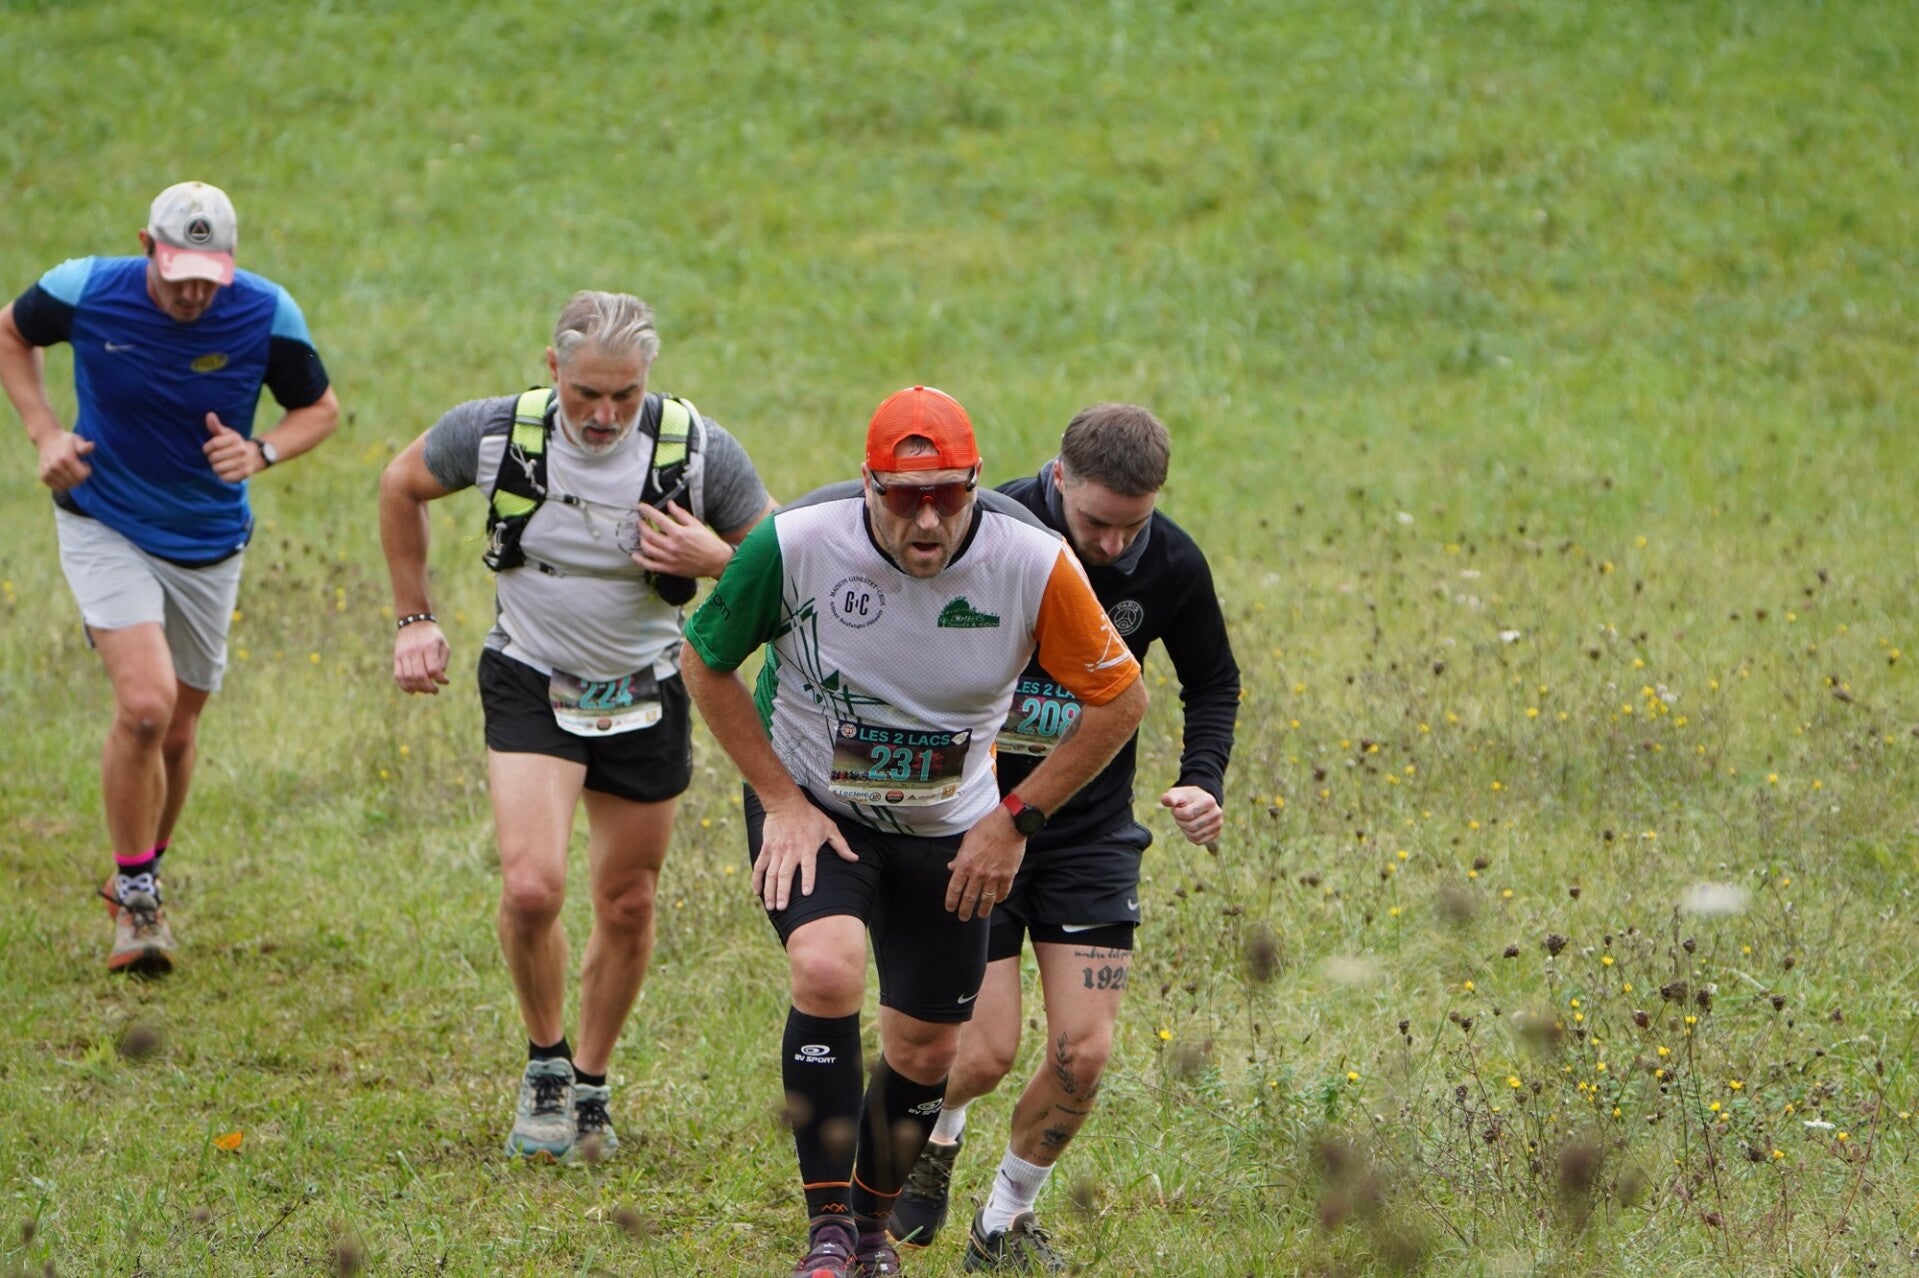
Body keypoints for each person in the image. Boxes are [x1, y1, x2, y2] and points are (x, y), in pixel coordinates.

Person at [680, 385, 1148, 1278]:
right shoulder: (795, 544)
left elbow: (1120, 699)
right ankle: (826, 1233)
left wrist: (1014, 820)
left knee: (926, 1047)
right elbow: (703, 662)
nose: (926, 519)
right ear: (868, 484)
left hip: (951, 826)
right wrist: (780, 800)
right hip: (816, 805)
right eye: (903, 496)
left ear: (976, 483)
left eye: (947, 495)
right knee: (827, 968)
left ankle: (868, 1230)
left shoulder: (1032, 562)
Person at [377, 290, 773, 1162]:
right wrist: (415, 619)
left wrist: (716, 558)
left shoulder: (696, 450)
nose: (603, 415)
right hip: (531, 676)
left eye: (624, 395)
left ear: (647, 379)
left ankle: (590, 1082)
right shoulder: (495, 433)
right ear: (552, 367)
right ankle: (544, 1063)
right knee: (532, 888)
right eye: (585, 392)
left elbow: (784, 563)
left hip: (648, 688)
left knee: (627, 903)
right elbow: (401, 485)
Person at [887, 403, 1240, 1272]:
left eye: (1133, 526)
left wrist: (1202, 779)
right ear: (1056, 479)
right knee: (981, 1053)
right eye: (1094, 523)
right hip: (972, 825)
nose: (1113, 546)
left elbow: (1212, 681)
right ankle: (936, 1132)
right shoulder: (983, 532)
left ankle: (1003, 1221)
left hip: (1086, 832)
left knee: (1084, 1053)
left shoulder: (1171, 563)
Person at [0, 181, 339, 976]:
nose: (192, 294)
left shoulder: (266, 313)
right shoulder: (86, 289)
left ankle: (143, 871)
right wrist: (45, 432)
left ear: (231, 263)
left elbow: (319, 410)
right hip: (104, 518)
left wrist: (261, 452)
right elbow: (11, 332)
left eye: (208, 279)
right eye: (178, 274)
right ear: (147, 247)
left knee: (179, 733)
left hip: (208, 541)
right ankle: (136, 898)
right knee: (146, 707)